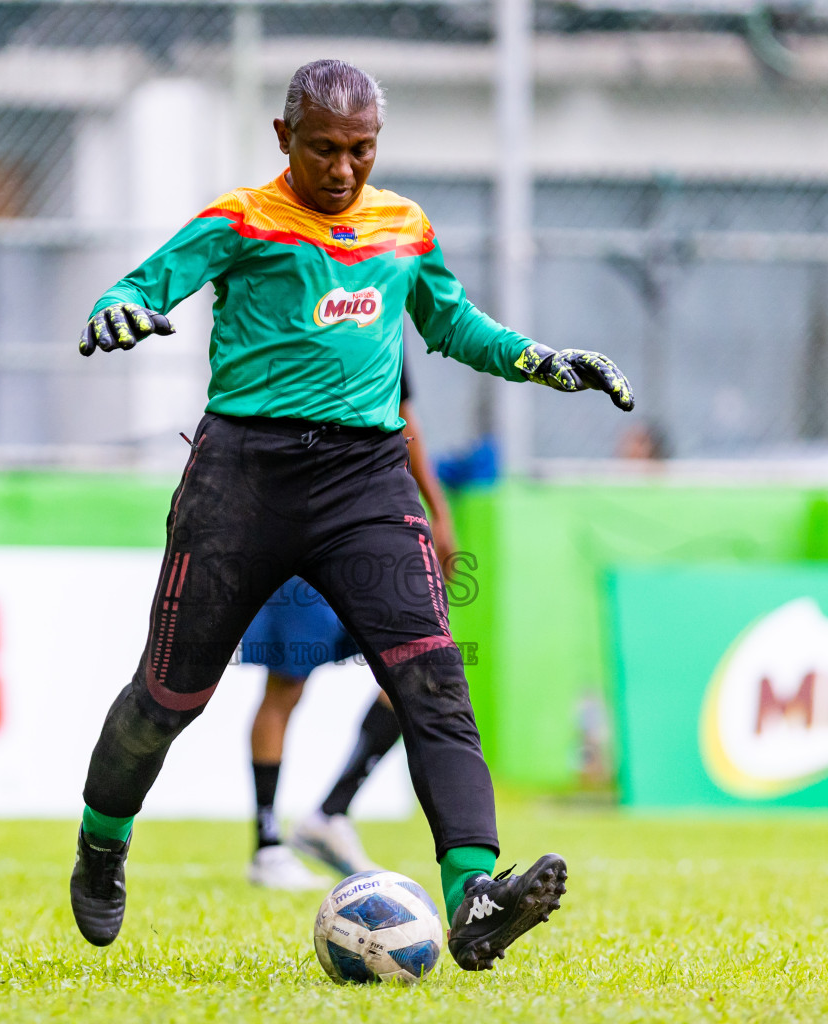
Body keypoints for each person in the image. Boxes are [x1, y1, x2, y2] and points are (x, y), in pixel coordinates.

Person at [70, 59, 634, 971]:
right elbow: (139, 286)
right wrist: (119, 313)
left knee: (434, 682)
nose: (343, 170)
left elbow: (453, 327)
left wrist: (543, 360)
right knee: (169, 697)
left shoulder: (404, 227)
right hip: (241, 482)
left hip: (366, 485)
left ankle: (475, 897)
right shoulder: (240, 220)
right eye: (325, 149)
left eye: (361, 151)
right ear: (283, 138)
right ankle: (102, 844)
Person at [242, 367, 454, 890]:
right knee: (286, 682)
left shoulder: (384, 298)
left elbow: (406, 418)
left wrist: (437, 511)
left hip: (370, 525)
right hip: (295, 516)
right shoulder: (293, 301)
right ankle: (267, 845)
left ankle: (330, 814)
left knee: (413, 672)